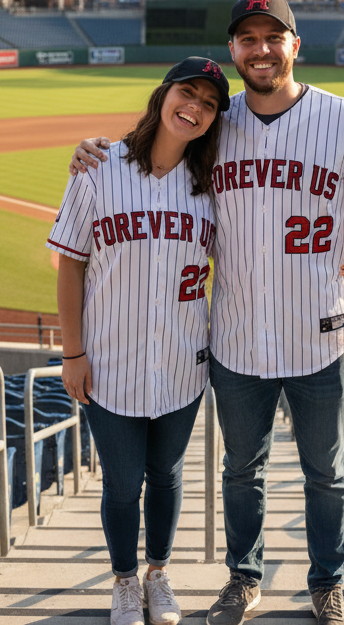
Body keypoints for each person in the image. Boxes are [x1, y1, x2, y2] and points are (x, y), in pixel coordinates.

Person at [71, 0, 344, 625]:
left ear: (294, 46)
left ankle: (328, 583)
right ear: (234, 51)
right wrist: (92, 151)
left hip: (321, 333)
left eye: (272, 37)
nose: (261, 49)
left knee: (328, 474)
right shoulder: (217, 125)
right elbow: (154, 152)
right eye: (248, 39)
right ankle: (243, 579)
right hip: (238, 339)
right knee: (240, 472)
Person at [49, 57, 229, 625]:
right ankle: (125, 580)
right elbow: (70, 264)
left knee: (168, 476)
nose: (195, 107)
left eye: (208, 102)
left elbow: (261, 243)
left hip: (181, 362)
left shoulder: (212, 186)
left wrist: (339, 260)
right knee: (123, 483)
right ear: (163, 95)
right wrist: (71, 352)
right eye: (187, 92)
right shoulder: (97, 166)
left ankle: (158, 574)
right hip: (108, 363)